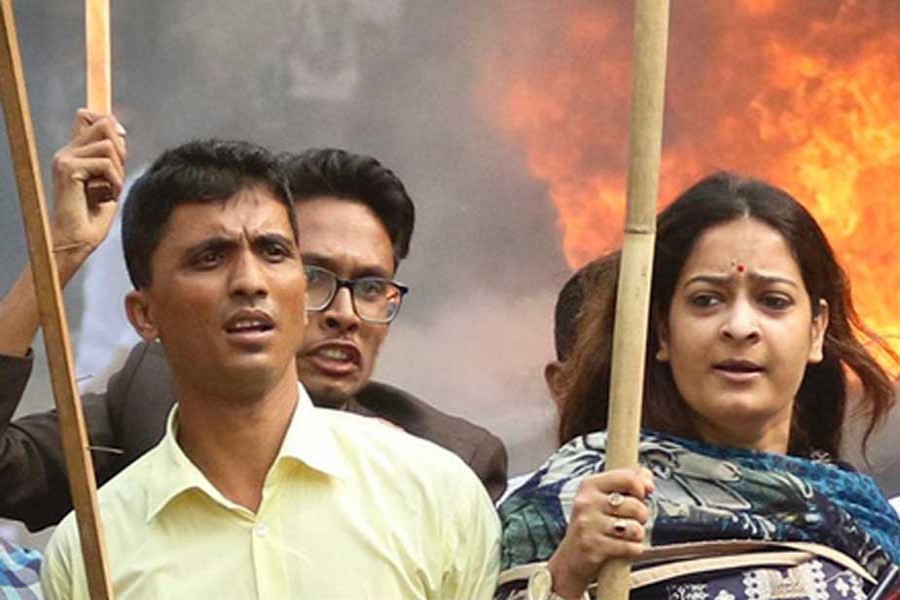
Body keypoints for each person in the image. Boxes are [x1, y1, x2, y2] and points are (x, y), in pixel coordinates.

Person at [0, 112, 507, 534]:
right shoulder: (152, 400)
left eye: (371, 288)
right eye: (314, 276)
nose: (345, 314)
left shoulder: (445, 466)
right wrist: (60, 251)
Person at [497, 172, 900, 599]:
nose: (740, 327)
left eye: (773, 301)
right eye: (706, 300)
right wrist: (568, 574)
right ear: (663, 330)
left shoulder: (861, 518)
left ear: (816, 330)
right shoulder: (582, 505)